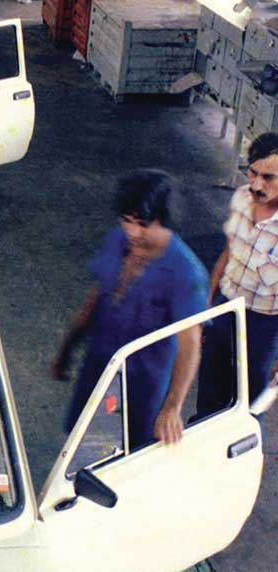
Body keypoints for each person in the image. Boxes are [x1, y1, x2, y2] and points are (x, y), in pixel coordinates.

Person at [50, 169, 208, 449]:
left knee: (129, 454)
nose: (132, 231)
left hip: (142, 385)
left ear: (164, 219)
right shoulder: (117, 241)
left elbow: (190, 342)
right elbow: (96, 297)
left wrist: (172, 407)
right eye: (127, 221)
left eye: (143, 224)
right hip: (99, 367)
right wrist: (67, 347)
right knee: (83, 444)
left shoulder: (186, 273)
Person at [197, 132, 278, 418]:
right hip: (225, 306)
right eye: (253, 173)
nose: (257, 184)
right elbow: (227, 254)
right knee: (209, 389)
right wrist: (205, 312)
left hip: (264, 324)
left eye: (269, 177)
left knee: (248, 402)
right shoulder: (240, 199)